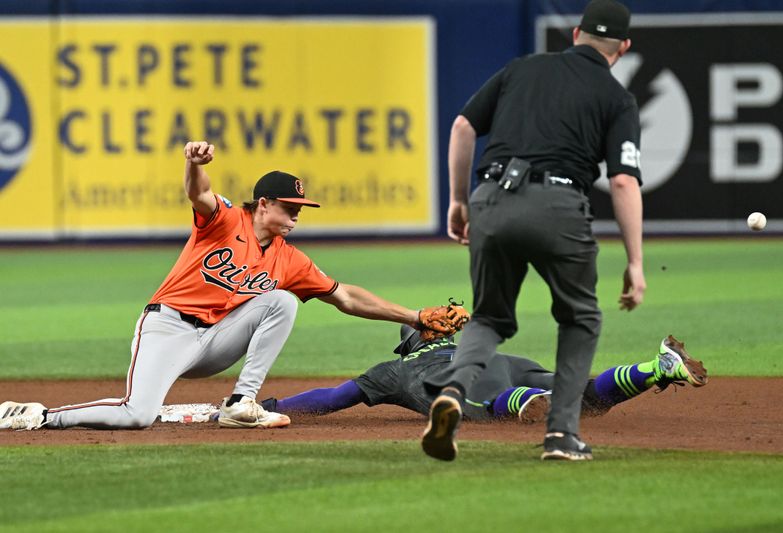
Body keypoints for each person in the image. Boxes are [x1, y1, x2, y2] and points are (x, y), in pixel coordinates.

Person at [0, 141, 455, 432]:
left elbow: (346, 296)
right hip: (168, 329)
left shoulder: (288, 258)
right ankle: (39, 415)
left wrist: (414, 317)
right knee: (136, 415)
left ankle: (242, 401)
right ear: (263, 204)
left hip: (215, 340)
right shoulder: (225, 221)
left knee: (281, 300)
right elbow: (199, 194)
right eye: (290, 206)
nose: (298, 214)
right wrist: (193, 164)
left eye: (301, 207)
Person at [422, 0, 646, 461]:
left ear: (576, 33)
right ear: (622, 47)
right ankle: (562, 435)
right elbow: (622, 180)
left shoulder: (521, 69)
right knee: (580, 318)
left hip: (492, 198)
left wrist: (460, 201)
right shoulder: (616, 97)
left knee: (488, 317)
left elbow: (463, 126)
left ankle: (452, 394)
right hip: (560, 205)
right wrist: (636, 262)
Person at [260, 327, 707, 432]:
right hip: (501, 358)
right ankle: (654, 368)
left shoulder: (395, 368)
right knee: (583, 396)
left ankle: (523, 401)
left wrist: (275, 407)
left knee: (478, 401)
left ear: (410, 342)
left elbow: (334, 397)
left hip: (462, 379)